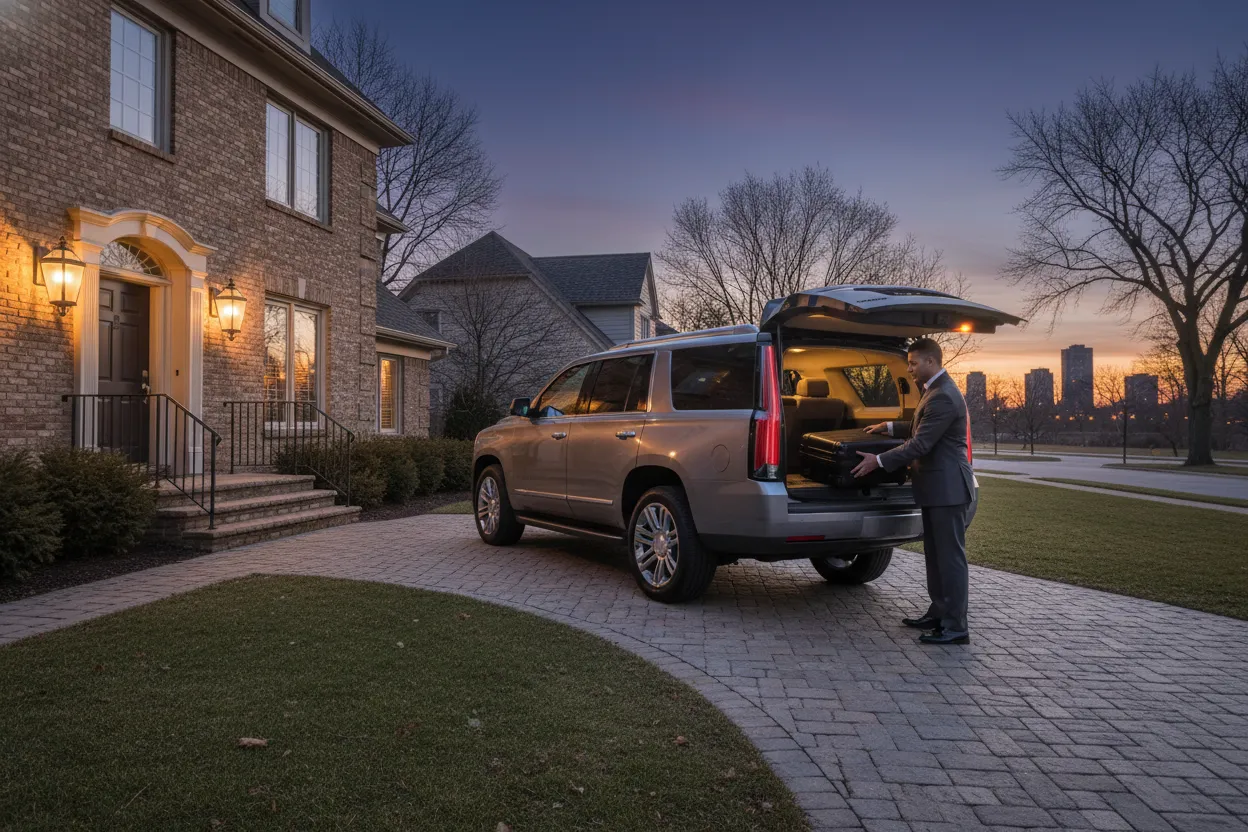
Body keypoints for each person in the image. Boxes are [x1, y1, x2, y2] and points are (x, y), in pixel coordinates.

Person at [850, 338, 975, 645]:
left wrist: (878, 460)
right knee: (936, 556)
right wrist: (890, 426)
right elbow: (923, 425)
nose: (909, 369)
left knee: (950, 559)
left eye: (913, 363)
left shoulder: (943, 395)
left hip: (948, 490)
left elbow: (921, 443)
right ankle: (939, 613)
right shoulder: (935, 390)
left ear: (931, 361)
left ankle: (955, 628)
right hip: (936, 489)